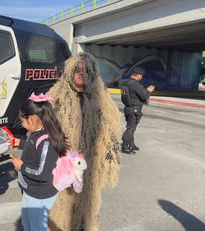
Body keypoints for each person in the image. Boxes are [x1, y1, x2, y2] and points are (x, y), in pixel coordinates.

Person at [47, 53, 122, 231]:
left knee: (86, 214)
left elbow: (112, 137)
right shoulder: (56, 98)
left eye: (87, 70)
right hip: (62, 170)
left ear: (93, 74)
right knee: (61, 211)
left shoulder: (103, 101)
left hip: (89, 170)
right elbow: (42, 132)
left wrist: (108, 162)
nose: (82, 74)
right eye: (77, 70)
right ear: (69, 72)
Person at [11, 92, 69, 231]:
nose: (23, 125)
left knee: (36, 227)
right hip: (32, 190)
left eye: (23, 121)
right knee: (27, 222)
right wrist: (20, 143)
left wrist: (22, 166)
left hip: (39, 194)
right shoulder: (38, 133)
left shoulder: (46, 142)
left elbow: (42, 173)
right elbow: (34, 146)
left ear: (32, 119)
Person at [120, 66, 155, 154]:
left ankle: (131, 144)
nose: (141, 77)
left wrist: (144, 90)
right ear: (138, 75)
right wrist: (149, 91)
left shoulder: (125, 82)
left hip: (128, 107)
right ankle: (125, 146)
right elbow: (144, 96)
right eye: (141, 75)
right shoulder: (135, 84)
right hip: (134, 109)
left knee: (132, 127)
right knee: (131, 128)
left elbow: (134, 93)